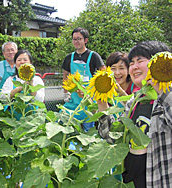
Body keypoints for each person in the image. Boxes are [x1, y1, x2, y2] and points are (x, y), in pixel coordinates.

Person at [97, 41, 172, 188]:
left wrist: (161, 88)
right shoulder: (135, 100)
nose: (134, 66)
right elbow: (113, 138)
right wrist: (102, 104)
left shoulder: (165, 98)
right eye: (131, 62)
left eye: (140, 61)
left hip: (159, 180)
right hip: (132, 180)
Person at [62, 27, 105, 131]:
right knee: (66, 123)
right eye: (74, 39)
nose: (76, 41)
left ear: (85, 40)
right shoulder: (69, 57)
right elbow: (65, 77)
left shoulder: (94, 56)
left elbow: (104, 74)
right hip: (74, 98)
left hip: (89, 98)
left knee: (89, 128)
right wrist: (65, 93)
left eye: (79, 39)